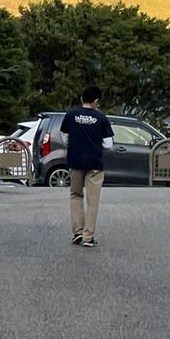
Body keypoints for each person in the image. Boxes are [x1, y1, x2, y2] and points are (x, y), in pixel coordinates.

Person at [60, 85, 114, 247]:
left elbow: (64, 137)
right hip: (95, 164)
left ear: (82, 99)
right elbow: (108, 144)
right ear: (96, 101)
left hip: (75, 161)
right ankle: (88, 236)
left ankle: (77, 232)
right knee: (93, 201)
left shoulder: (71, 115)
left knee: (76, 195)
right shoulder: (101, 118)